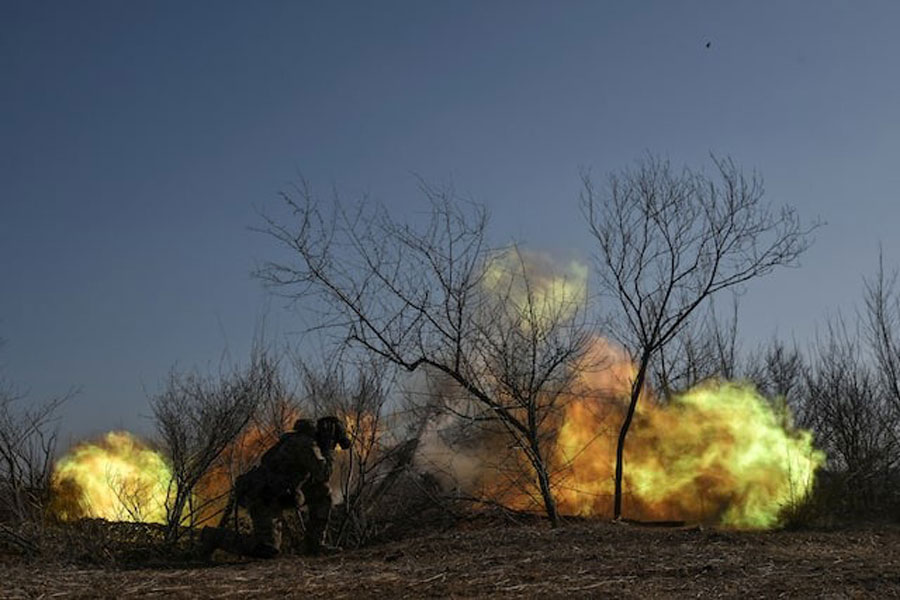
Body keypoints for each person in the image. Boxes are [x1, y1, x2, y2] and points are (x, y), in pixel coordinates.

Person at [200, 415, 351, 558]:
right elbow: (323, 473)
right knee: (267, 548)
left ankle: (314, 545)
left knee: (322, 491)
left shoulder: (302, 440)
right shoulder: (304, 444)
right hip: (263, 496)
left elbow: (315, 480)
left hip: (279, 493)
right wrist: (329, 448)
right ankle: (213, 536)